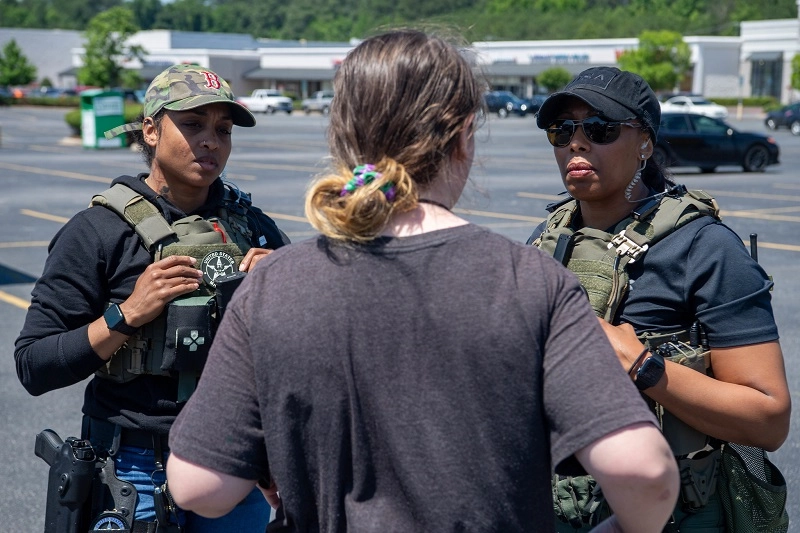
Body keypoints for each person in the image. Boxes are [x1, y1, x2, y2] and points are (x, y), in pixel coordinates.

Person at [165, 30, 678, 532]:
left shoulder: (273, 285)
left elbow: (197, 488)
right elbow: (646, 473)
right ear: (463, 136)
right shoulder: (531, 281)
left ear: (343, 139)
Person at [15, 64, 289, 532]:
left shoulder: (253, 229)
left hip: (230, 461)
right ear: (150, 129)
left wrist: (285, 290)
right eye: (192, 124)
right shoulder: (97, 232)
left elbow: (304, 354)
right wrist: (128, 314)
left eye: (223, 129)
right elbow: (34, 365)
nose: (211, 141)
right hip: (130, 468)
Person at [530, 66, 791, 531]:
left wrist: (641, 365)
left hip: (677, 513)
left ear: (645, 144)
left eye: (600, 129)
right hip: (562, 508)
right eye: (561, 130)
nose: (576, 143)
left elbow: (768, 421)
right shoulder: (549, 239)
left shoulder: (704, 247)